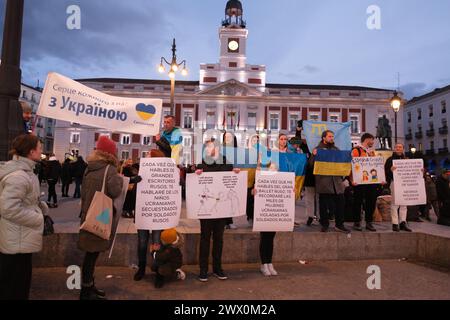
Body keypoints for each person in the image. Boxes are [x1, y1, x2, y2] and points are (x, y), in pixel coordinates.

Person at [0, 134, 47, 300]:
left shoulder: (27, 172)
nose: (42, 151)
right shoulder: (19, 176)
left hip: (21, 237)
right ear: (31, 151)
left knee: (18, 280)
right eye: (40, 148)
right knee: (15, 284)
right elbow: (9, 208)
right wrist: (38, 217)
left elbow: (25, 200)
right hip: (17, 238)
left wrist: (41, 207)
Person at [78, 136, 123, 300]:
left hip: (87, 214)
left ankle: (89, 286)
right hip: (100, 217)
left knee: (90, 254)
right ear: (110, 153)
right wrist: (119, 177)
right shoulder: (109, 169)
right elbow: (115, 191)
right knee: (92, 255)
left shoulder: (89, 167)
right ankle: (86, 291)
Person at [195, 139, 241, 282]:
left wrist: (235, 173)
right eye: (207, 147)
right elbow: (197, 183)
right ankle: (203, 269)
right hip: (208, 209)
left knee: (219, 239)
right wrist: (196, 173)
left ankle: (217, 268)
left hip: (221, 208)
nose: (208, 149)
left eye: (210, 147)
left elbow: (229, 182)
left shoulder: (226, 162)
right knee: (204, 238)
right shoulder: (202, 163)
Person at [310, 130, 350, 233]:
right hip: (324, 182)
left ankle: (339, 224)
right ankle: (324, 224)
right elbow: (311, 165)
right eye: (329, 136)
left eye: (332, 136)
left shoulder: (336, 149)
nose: (332, 138)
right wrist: (314, 156)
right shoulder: (317, 150)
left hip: (336, 182)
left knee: (340, 203)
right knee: (324, 205)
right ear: (324, 138)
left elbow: (341, 164)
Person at [134, 150, 165, 282]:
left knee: (157, 243)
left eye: (149, 155)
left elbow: (177, 183)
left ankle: (158, 271)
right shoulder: (141, 172)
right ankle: (141, 269)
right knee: (142, 243)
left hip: (157, 213)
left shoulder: (164, 173)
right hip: (143, 212)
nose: (146, 156)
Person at [350, 133, 379, 232]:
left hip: (371, 181)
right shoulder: (356, 150)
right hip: (359, 181)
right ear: (367, 140)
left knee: (371, 201)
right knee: (358, 201)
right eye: (372, 140)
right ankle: (357, 222)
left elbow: (375, 166)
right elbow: (351, 166)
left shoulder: (372, 152)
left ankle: (369, 222)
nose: (373, 142)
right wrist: (351, 180)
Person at [385, 143, 412, 232]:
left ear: (403, 149)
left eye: (400, 147)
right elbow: (385, 173)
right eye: (396, 147)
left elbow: (412, 171)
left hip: (405, 183)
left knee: (404, 204)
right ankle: (395, 223)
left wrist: (420, 170)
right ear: (394, 149)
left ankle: (403, 222)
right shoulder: (389, 160)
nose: (398, 148)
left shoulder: (406, 160)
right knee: (395, 203)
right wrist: (390, 170)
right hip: (394, 183)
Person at [222, 131, 238, 229]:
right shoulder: (219, 149)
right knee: (223, 199)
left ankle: (230, 220)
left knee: (231, 198)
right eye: (226, 137)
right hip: (222, 176)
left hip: (233, 177)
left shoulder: (237, 151)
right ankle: (224, 222)